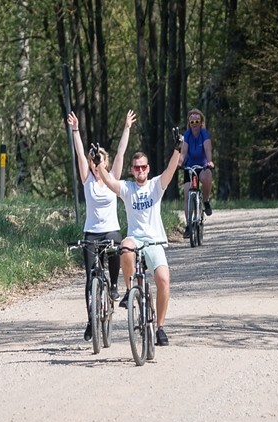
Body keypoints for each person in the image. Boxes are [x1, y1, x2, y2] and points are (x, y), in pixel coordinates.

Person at [95, 126, 184, 347]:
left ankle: (160, 327)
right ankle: (129, 290)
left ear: (148, 168)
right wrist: (98, 164)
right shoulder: (127, 188)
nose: (140, 170)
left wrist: (177, 148)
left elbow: (171, 171)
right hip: (136, 239)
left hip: (154, 241)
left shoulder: (156, 186)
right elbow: (108, 182)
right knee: (124, 245)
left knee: (163, 280)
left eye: (143, 167)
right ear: (132, 170)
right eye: (136, 168)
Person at [67, 109, 137, 342]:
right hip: (91, 233)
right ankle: (91, 321)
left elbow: (121, 153)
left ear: (104, 163)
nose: (97, 163)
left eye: (100, 160)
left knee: (116, 249)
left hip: (110, 230)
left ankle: (115, 286)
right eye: (94, 160)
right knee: (90, 279)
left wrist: (126, 127)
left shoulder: (112, 178)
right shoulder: (87, 179)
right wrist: (76, 130)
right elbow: (79, 152)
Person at [179, 108, 215, 238]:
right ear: (189, 123)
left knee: (207, 177)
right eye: (192, 121)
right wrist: (179, 163)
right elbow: (183, 152)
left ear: (201, 122)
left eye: (197, 121)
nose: (194, 124)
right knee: (187, 193)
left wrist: (209, 161)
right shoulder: (187, 135)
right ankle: (189, 225)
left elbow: (207, 148)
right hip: (190, 166)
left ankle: (205, 200)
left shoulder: (204, 134)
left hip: (202, 165)